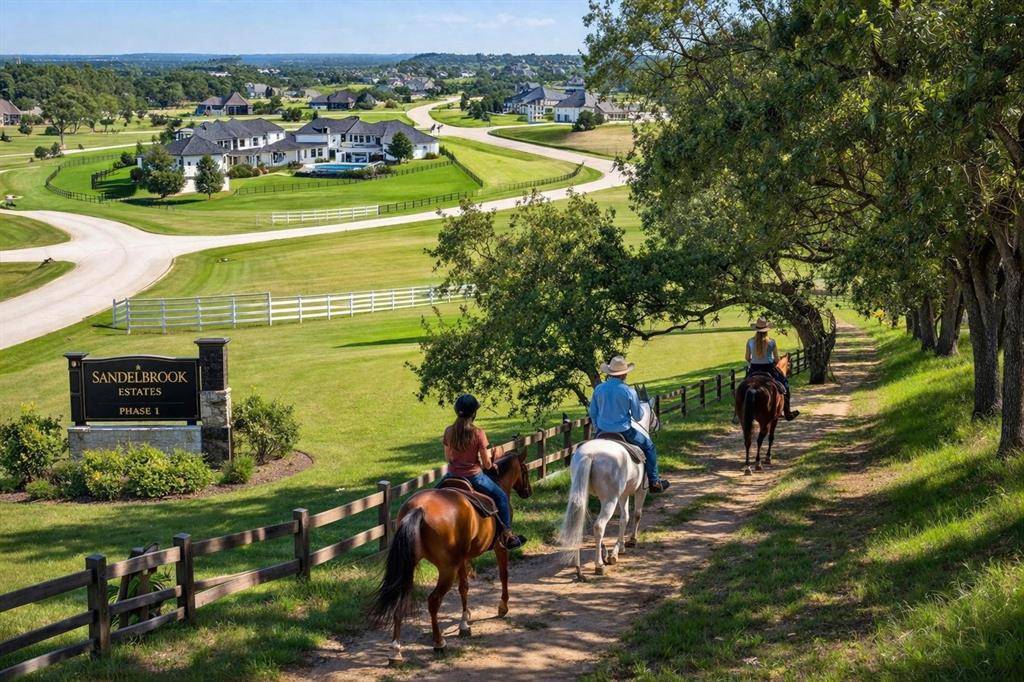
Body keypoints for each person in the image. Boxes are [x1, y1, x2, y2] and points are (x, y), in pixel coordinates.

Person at [441, 394, 526, 550]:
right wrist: (489, 464)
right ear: (473, 413)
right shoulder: (478, 433)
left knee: (433, 493)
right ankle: (507, 535)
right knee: (501, 497)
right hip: (474, 477)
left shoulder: (448, 431)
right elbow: (487, 464)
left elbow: (448, 458)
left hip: (452, 476)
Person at [589, 356, 671, 493]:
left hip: (602, 431)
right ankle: (654, 481)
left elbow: (592, 412)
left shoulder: (599, 389)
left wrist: (597, 427)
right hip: (624, 431)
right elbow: (638, 416)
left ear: (610, 373)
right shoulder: (629, 391)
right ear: (624, 374)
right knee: (649, 447)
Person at [742, 317, 800, 421]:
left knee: (743, 388)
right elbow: (777, 359)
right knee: (784, 386)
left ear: (756, 329)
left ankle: (739, 413)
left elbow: (747, 357)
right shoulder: (771, 342)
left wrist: (754, 360)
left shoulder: (750, 341)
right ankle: (787, 413)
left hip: (754, 369)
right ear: (766, 330)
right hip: (768, 368)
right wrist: (771, 360)